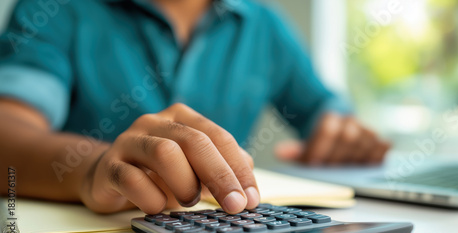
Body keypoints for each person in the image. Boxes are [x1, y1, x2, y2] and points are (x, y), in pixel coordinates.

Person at [0, 0, 389, 215]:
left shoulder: (265, 24)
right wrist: (94, 170)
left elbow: (324, 109)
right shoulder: (54, 9)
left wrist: (339, 131)